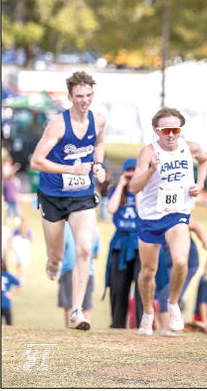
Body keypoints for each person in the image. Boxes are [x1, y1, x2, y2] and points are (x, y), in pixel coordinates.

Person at [30, 71, 107, 330]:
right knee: (56, 254)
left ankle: (76, 312)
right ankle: (52, 262)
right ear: (70, 97)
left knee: (84, 249)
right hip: (52, 195)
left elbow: (99, 144)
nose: (84, 101)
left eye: (88, 95)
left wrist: (98, 166)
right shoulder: (59, 124)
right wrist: (70, 170)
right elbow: (36, 161)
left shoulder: (99, 119)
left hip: (82, 195)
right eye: (79, 96)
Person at [129, 107, 207, 335]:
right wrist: (151, 170)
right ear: (157, 130)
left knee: (181, 261)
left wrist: (199, 184)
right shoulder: (148, 152)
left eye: (175, 129)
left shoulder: (189, 147)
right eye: (166, 130)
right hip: (151, 216)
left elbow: (204, 161)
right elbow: (134, 187)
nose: (171, 135)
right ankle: (147, 313)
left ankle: (173, 304)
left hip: (177, 212)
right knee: (148, 271)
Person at [105, 157, 142, 329]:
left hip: (139, 242)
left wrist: (137, 188)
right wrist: (121, 185)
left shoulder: (144, 190)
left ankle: (142, 323)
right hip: (121, 241)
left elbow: (142, 212)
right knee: (118, 286)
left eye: (134, 170)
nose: (131, 174)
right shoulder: (116, 191)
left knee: (142, 285)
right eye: (128, 170)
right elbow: (111, 209)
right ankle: (117, 323)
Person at [155, 218, 207, 332]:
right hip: (168, 263)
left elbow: (194, 225)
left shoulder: (175, 214)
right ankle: (166, 328)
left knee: (166, 296)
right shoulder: (153, 217)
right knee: (162, 295)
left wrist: (205, 243)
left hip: (187, 264)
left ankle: (167, 330)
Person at [58, 224, 100, 327]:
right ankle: (84, 332)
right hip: (87, 272)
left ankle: (71, 328)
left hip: (69, 270)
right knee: (86, 307)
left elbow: (60, 251)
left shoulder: (66, 228)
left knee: (69, 306)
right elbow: (96, 254)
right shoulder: (94, 228)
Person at [11, 218, 33, 283]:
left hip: (24, 246)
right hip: (19, 246)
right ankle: (19, 276)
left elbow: (30, 239)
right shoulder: (17, 229)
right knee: (19, 263)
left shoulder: (27, 230)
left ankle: (21, 277)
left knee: (22, 263)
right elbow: (12, 237)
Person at [1, 258, 21, 325]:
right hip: (6, 303)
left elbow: (19, 284)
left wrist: (12, 293)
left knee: (9, 323)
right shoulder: (9, 275)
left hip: (5, 303)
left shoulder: (8, 275)